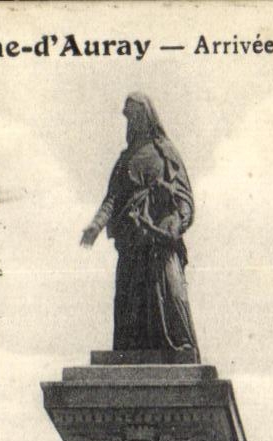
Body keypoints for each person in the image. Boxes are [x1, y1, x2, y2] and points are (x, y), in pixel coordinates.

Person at [80, 94, 199, 359]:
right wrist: (96, 226)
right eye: (128, 116)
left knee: (172, 293)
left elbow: (184, 196)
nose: (131, 120)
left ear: (146, 115)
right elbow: (112, 199)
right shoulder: (125, 160)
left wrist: (178, 222)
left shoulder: (166, 152)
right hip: (132, 239)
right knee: (129, 305)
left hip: (161, 241)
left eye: (134, 114)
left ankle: (180, 350)